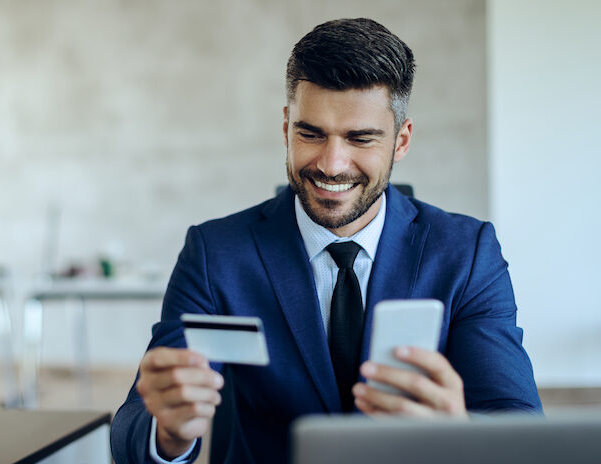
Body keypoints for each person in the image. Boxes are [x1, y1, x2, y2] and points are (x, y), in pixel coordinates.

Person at [110, 18, 542, 464]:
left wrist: (461, 433)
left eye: (361, 138)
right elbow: (132, 429)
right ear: (286, 127)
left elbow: (519, 423)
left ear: (401, 141)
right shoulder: (215, 253)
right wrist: (168, 433)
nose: (332, 165)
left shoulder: (468, 253)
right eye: (310, 133)